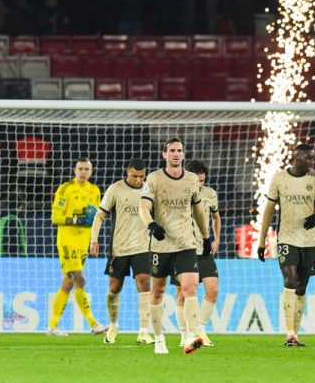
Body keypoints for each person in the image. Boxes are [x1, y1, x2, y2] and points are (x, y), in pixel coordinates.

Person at [139, 138, 210, 355]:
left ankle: (190, 335)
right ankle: (159, 339)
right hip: (161, 245)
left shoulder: (191, 180)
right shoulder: (154, 179)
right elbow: (143, 206)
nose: (176, 154)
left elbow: (198, 210)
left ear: (183, 154)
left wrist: (206, 236)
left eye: (179, 150)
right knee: (158, 292)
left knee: (190, 289)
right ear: (164, 154)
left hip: (186, 244)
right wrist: (151, 224)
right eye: (172, 151)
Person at [257, 143, 315, 348]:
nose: (312, 162)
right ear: (296, 157)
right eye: (308, 158)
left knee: (301, 286)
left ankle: (295, 334)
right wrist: (262, 241)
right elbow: (268, 211)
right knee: (290, 279)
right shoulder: (279, 178)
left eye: (313, 158)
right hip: (287, 238)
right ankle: (289, 334)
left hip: (309, 241)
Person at [89, 158, 154, 345]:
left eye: (141, 176)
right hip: (119, 247)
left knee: (144, 282)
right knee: (114, 288)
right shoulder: (115, 189)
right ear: (127, 173)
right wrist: (94, 239)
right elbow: (100, 215)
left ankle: (143, 331)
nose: (138, 180)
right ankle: (113, 326)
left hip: (143, 246)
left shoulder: (149, 190)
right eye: (134, 176)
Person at [47, 157, 108, 337]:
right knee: (80, 279)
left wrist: (93, 239)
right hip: (67, 240)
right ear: (75, 170)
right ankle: (93, 323)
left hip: (83, 242)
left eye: (86, 169)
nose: (83, 172)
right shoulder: (66, 188)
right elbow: (55, 218)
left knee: (68, 283)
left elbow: (96, 218)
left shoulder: (95, 191)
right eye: (80, 169)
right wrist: (76, 219)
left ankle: (52, 326)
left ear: (91, 172)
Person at [180, 159, 220, 347]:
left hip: (203, 248)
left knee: (212, 289)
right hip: (184, 248)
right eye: (196, 181)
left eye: (202, 181)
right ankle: (185, 334)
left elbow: (216, 217)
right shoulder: (179, 193)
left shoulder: (210, 194)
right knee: (182, 293)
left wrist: (217, 238)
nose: (199, 184)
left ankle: (200, 329)